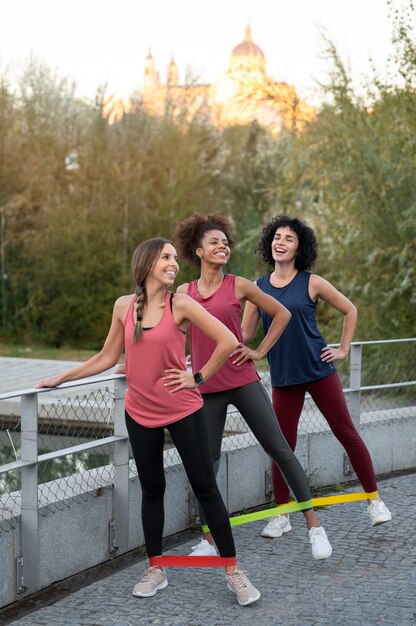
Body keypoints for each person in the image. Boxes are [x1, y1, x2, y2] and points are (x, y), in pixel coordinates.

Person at [37, 238, 261, 607]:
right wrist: (62, 378)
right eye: (166, 258)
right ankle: (156, 567)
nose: (174, 264)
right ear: (146, 264)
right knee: (152, 489)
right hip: (139, 412)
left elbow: (227, 339)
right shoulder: (124, 306)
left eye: (175, 258)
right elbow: (108, 356)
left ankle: (233, 570)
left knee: (206, 487)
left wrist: (198, 377)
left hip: (183, 409)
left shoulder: (181, 304)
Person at [174, 214, 332, 561]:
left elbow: (282, 314)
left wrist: (260, 350)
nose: (222, 246)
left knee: (280, 450)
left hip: (243, 382)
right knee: (208, 465)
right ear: (198, 250)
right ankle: (208, 540)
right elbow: (174, 335)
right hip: (207, 391)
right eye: (214, 242)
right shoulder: (184, 292)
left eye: (225, 242)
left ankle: (314, 529)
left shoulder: (240, 285)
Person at [241, 215, 392, 540]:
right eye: (277, 237)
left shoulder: (312, 282)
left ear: (299, 248)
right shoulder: (258, 288)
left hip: (319, 372)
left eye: (289, 239)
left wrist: (343, 349)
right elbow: (244, 334)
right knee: (282, 446)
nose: (280, 242)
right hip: (284, 376)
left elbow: (350, 310)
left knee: (346, 432)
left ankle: (374, 501)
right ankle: (281, 515)